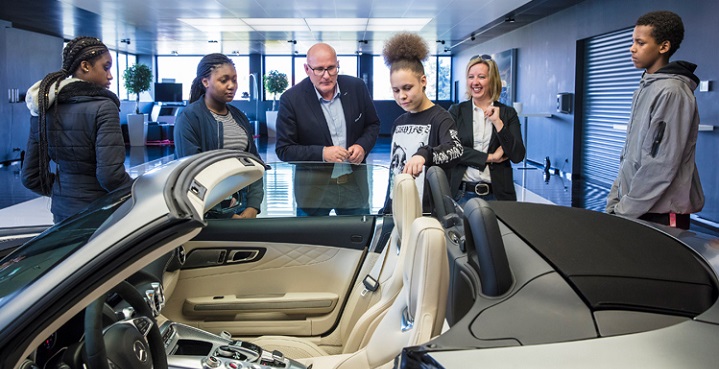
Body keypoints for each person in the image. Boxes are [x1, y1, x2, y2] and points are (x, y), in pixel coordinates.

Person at [606, 10, 704, 230]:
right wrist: (615, 197)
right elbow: (631, 155)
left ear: (664, 47)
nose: (632, 48)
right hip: (636, 209)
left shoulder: (672, 92)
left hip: (660, 214)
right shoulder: (645, 87)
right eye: (633, 41)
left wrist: (624, 210)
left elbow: (661, 164)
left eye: (640, 43)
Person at [22, 36, 132, 223]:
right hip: (100, 212)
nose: (110, 75)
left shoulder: (45, 106)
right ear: (85, 66)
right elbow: (110, 176)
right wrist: (137, 192)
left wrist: (64, 191)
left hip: (62, 214)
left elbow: (31, 176)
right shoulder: (104, 107)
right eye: (106, 67)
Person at [275, 43, 380, 216]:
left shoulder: (357, 88)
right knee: (311, 243)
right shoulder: (291, 99)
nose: (326, 76)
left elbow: (372, 124)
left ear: (337, 64)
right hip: (313, 191)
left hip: (354, 186)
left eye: (331, 68)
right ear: (307, 69)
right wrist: (322, 154)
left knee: (358, 240)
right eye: (319, 69)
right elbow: (284, 149)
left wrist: (362, 146)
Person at [174, 53, 264, 218]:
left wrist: (253, 207)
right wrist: (222, 214)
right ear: (205, 82)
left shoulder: (239, 117)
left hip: (241, 208)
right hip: (207, 211)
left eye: (234, 80)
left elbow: (255, 163)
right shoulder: (189, 116)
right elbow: (191, 171)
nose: (231, 86)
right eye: (224, 80)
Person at [382, 32, 463, 213]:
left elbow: (456, 150)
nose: (401, 95)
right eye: (395, 90)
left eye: (407, 88)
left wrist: (424, 154)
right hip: (398, 208)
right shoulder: (398, 122)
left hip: (428, 212)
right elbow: (394, 169)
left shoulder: (441, 118)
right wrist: (387, 206)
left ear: (423, 81)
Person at [447, 55, 525, 204]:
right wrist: (491, 158)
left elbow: (517, 155)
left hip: (498, 196)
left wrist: (498, 123)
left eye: (481, 77)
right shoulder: (456, 111)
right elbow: (452, 151)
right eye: (471, 77)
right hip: (462, 194)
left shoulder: (508, 113)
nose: (475, 82)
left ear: (492, 80)